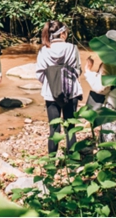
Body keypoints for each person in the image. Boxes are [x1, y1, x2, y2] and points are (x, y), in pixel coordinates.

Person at [36, 20, 83, 154]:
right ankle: (73, 162)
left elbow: (39, 72)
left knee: (54, 129)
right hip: (71, 92)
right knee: (70, 128)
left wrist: (50, 83)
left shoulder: (44, 50)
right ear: (62, 33)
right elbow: (78, 70)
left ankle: (52, 163)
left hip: (51, 94)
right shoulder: (73, 48)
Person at [83, 30, 116, 145]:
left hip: (111, 108)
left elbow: (102, 88)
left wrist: (88, 71)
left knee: (110, 142)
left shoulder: (109, 63)